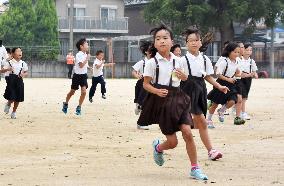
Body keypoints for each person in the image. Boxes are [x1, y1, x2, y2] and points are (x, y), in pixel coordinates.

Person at [137, 24, 208, 180]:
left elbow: (184, 79)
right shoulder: (151, 63)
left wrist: (184, 77)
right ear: (154, 43)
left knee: (188, 133)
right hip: (162, 102)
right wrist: (156, 91)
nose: (162, 41)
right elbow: (146, 84)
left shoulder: (179, 60)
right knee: (173, 142)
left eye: (165, 38)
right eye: (158, 39)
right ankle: (158, 147)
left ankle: (194, 168)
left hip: (179, 99)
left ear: (172, 41)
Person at [180, 28, 228, 160]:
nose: (194, 43)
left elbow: (207, 76)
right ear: (186, 43)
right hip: (186, 90)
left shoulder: (205, 59)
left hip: (200, 89)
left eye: (196, 40)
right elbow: (175, 77)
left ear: (200, 42)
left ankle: (210, 150)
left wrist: (219, 86)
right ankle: (211, 150)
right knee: (201, 121)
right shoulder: (182, 60)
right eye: (191, 41)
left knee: (198, 122)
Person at [207, 42, 245, 125]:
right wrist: (228, 79)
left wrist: (237, 74)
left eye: (238, 52)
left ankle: (222, 111)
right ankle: (209, 119)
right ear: (229, 51)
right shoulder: (224, 61)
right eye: (234, 52)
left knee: (233, 101)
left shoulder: (237, 61)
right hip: (221, 83)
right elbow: (218, 74)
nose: (237, 54)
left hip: (231, 84)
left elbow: (237, 72)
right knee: (215, 103)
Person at [62, 38, 90, 115]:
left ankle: (79, 107)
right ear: (81, 46)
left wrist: (90, 67)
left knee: (84, 92)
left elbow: (85, 66)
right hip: (77, 76)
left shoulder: (85, 54)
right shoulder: (78, 55)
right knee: (72, 92)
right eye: (86, 44)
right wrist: (87, 59)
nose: (88, 45)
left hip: (83, 76)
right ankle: (66, 103)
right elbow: (81, 65)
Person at [3, 47, 28, 119]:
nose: (20, 52)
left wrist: (23, 74)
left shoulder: (23, 63)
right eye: (18, 51)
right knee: (12, 96)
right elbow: (1, 71)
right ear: (13, 54)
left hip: (19, 80)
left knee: (18, 97)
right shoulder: (9, 62)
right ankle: (8, 104)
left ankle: (14, 112)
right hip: (11, 80)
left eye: (21, 51)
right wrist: (8, 69)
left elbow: (26, 72)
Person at [132, 41, 152, 130]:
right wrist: (137, 75)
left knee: (147, 103)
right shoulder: (142, 62)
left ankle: (142, 120)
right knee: (142, 102)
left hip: (152, 83)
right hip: (142, 83)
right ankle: (138, 106)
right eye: (150, 49)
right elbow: (133, 71)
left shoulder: (155, 61)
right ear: (146, 52)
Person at [238, 43, 258, 120]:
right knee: (242, 96)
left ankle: (239, 110)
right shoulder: (239, 60)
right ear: (243, 50)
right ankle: (242, 113)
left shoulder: (251, 61)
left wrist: (255, 74)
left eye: (250, 50)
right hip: (240, 79)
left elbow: (254, 70)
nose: (249, 52)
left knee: (244, 97)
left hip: (248, 80)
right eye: (247, 50)